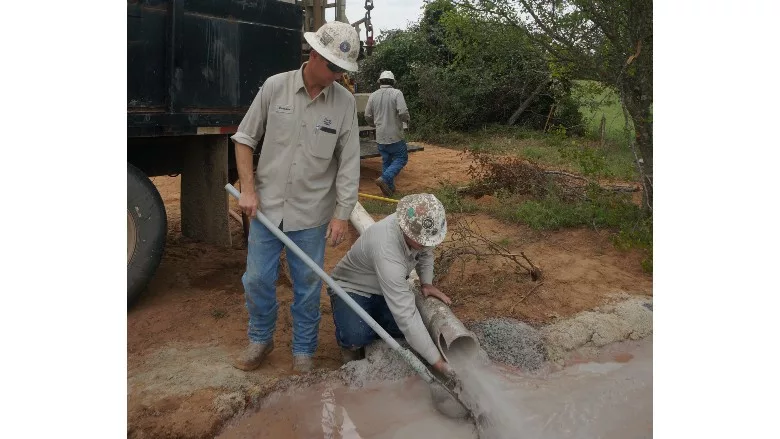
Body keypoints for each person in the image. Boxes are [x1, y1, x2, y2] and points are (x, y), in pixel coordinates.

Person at [230, 21, 362, 373]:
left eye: (342, 70)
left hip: (312, 213)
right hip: (267, 210)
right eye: (333, 67)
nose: (337, 75)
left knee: (306, 286)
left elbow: (348, 163)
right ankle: (260, 339)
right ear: (315, 54)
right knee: (257, 279)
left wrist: (341, 214)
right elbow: (244, 139)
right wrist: (248, 189)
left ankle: (304, 350)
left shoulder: (345, 104)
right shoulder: (276, 87)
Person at [327, 193, 454, 377]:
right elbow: (406, 315)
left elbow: (426, 251)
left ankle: (373, 321)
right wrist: (439, 364)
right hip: (352, 288)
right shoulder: (387, 249)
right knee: (357, 335)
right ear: (405, 229)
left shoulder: (419, 232)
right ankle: (350, 346)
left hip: (384, 288)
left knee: (403, 332)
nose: (425, 245)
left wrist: (427, 283)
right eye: (421, 241)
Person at [364, 70, 410, 196]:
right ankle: (385, 178)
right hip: (395, 135)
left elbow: (367, 115)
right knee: (402, 158)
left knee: (386, 161)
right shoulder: (397, 93)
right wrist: (406, 120)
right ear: (392, 82)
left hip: (380, 136)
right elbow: (403, 112)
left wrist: (374, 124)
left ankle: (389, 189)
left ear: (380, 82)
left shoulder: (373, 95)